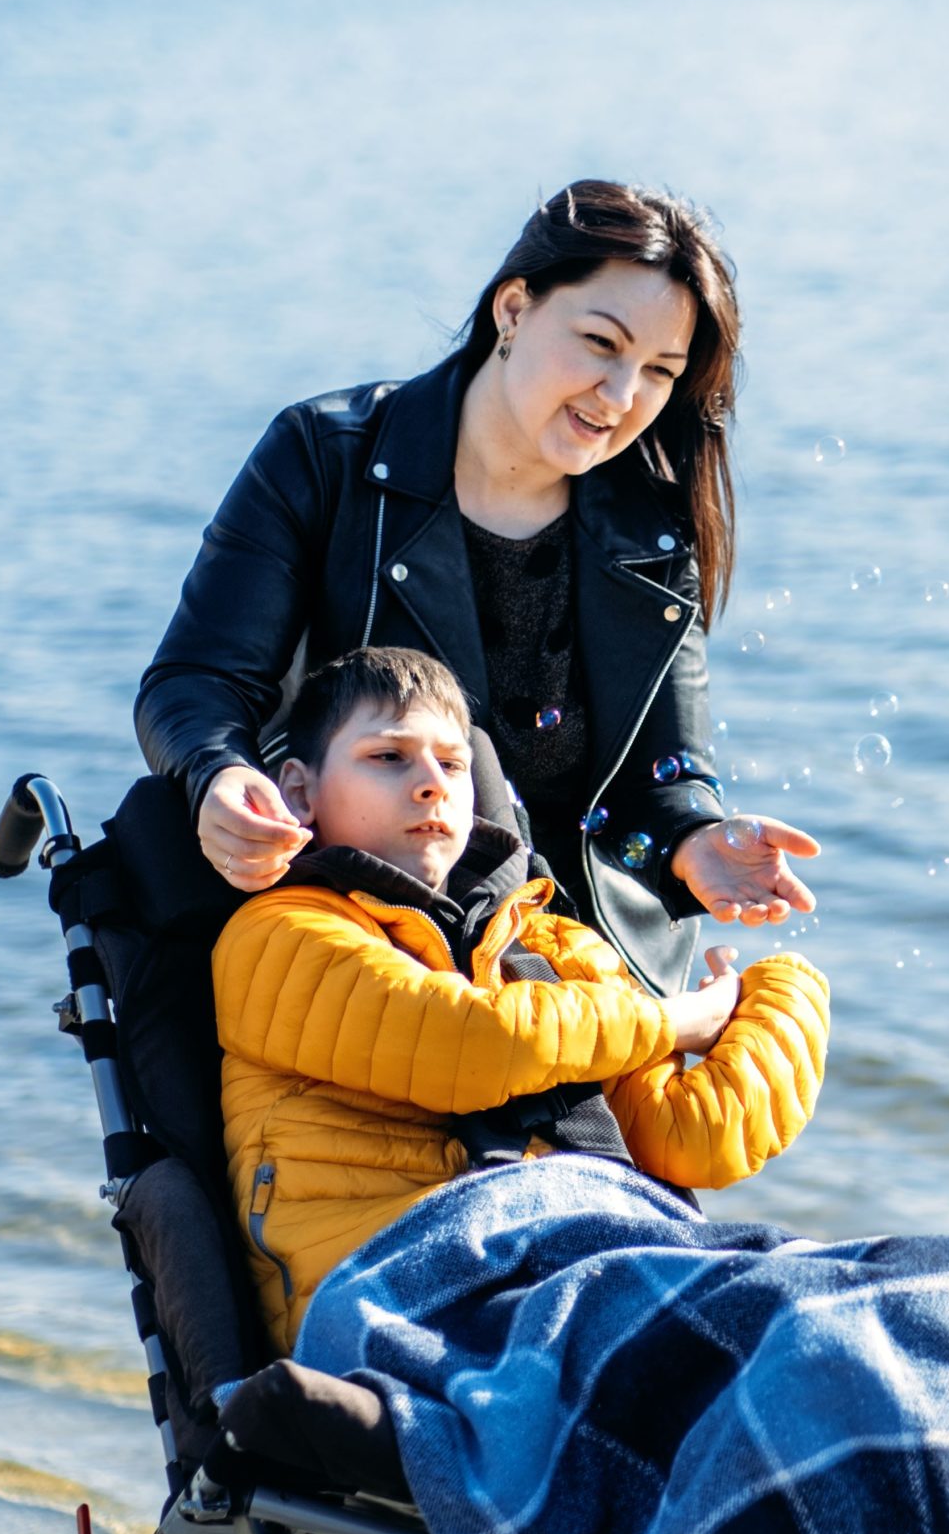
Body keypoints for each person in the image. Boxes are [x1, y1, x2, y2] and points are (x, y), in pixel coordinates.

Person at [214, 647, 949, 1534]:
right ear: (299, 787)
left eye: (450, 761)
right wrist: (675, 1020)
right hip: (420, 1280)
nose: (431, 784)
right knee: (805, 1351)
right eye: (389, 758)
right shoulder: (280, 936)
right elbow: (460, 1042)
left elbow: (697, 1137)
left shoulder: (557, 949)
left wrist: (774, 990)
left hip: (605, 1243)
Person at [141, 180, 817, 1000]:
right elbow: (199, 681)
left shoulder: (652, 527)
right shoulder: (326, 458)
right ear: (514, 309)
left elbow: (663, 775)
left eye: (660, 372)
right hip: (374, 951)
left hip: (589, 975)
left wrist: (696, 840)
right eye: (602, 343)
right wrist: (219, 776)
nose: (621, 396)